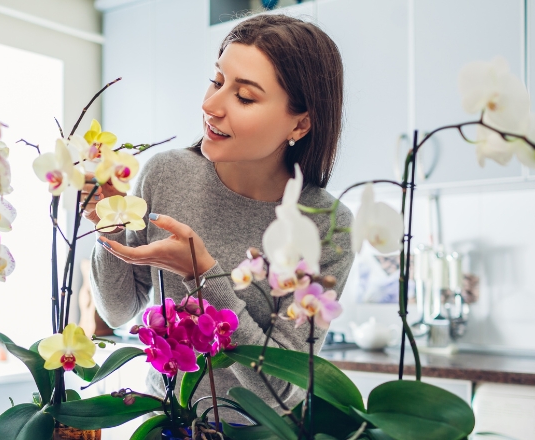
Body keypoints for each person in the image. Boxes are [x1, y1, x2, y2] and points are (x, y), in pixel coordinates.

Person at [83, 14, 354, 417]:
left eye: (243, 97)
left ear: (300, 123)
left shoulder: (325, 225)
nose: (210, 105)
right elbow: (117, 311)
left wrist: (202, 274)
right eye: (216, 81)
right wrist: (110, 224)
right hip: (166, 420)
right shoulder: (166, 174)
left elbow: (279, 390)